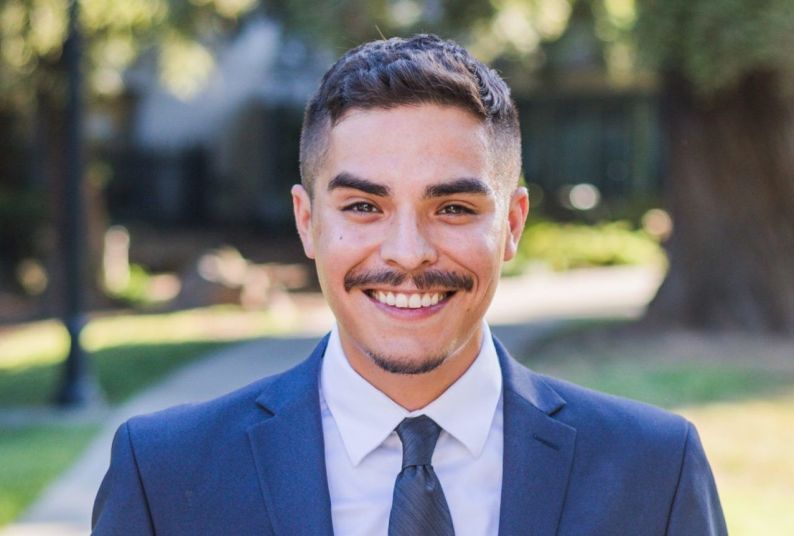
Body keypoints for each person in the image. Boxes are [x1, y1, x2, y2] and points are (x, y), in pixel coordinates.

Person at [92, 34, 727, 535]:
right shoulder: (164, 476)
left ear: (511, 224)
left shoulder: (655, 472)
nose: (407, 254)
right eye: (364, 207)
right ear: (307, 222)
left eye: (452, 208)